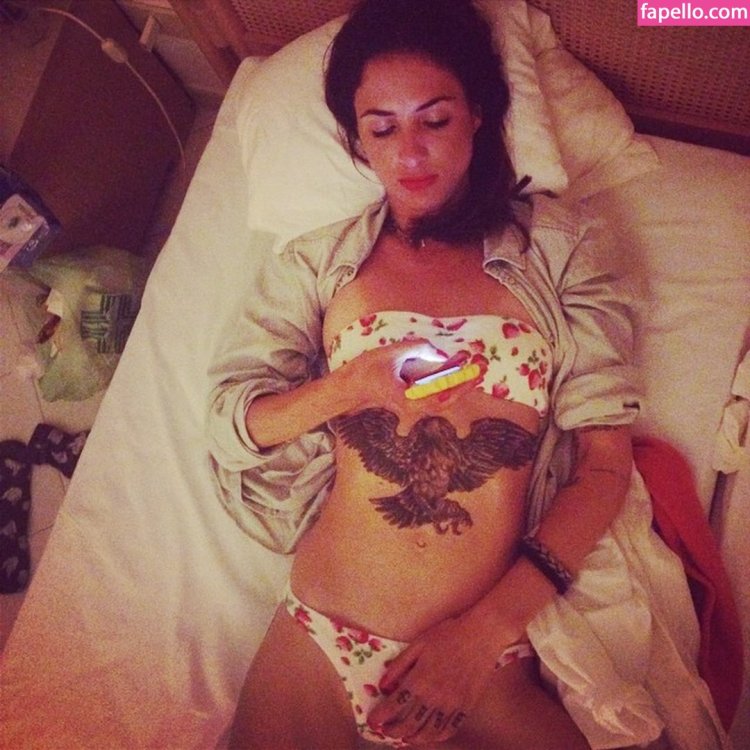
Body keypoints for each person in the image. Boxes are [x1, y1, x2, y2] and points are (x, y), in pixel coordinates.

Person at [206, 0, 641, 747]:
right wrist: (349, 387)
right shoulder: (318, 261)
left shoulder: (561, 248)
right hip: (320, 633)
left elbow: (605, 469)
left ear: (477, 115)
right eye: (382, 129)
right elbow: (233, 421)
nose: (409, 154)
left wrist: (480, 636)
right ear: (357, 139)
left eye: (434, 120)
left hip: (484, 655)